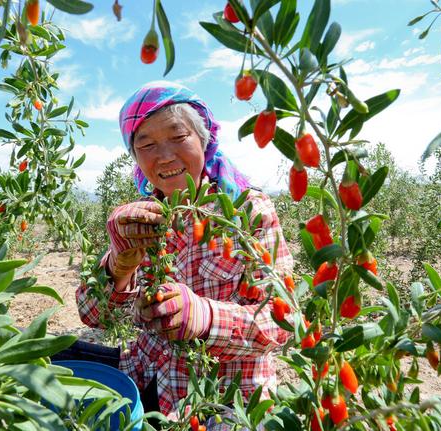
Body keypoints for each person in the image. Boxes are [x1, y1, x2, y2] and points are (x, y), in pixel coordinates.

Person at [67, 81, 294, 428]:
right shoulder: (140, 217)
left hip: (224, 397)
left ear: (203, 139)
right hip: (145, 377)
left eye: (178, 137)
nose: (164, 156)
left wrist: (203, 317)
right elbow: (92, 314)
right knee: (45, 359)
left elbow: (284, 322)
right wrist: (119, 264)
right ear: (136, 157)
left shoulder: (247, 211)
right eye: (146, 144)